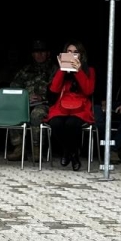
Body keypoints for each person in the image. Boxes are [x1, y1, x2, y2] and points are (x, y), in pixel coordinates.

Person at [46, 41, 95, 170]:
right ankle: (72, 153)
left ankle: (69, 152)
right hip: (62, 105)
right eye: (68, 52)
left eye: (75, 53)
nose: (71, 55)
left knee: (71, 124)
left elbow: (88, 90)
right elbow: (54, 89)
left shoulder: (89, 70)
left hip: (80, 107)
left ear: (81, 55)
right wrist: (62, 68)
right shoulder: (59, 69)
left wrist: (78, 71)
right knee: (55, 123)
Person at [7, 40, 55, 160]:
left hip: (46, 104)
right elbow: (14, 86)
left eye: (42, 52)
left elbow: (57, 90)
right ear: (32, 54)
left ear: (48, 53)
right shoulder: (26, 70)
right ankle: (19, 148)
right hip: (26, 103)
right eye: (36, 52)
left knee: (36, 114)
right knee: (13, 111)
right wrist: (25, 96)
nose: (39, 55)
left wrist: (42, 97)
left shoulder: (54, 69)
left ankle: (36, 149)